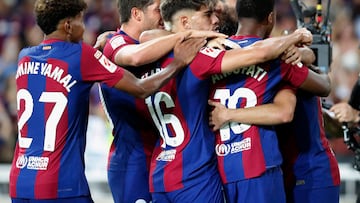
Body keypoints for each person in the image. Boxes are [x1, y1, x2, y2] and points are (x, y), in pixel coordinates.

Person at [8, 0, 207, 202]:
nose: (84, 28)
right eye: (80, 21)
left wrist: (103, 45)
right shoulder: (82, 56)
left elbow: (64, 73)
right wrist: (178, 63)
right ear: (68, 26)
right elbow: (141, 87)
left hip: (20, 181)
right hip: (61, 185)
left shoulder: (25, 57)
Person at [140, 0, 313, 202]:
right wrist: (297, 38)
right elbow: (262, 53)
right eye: (207, 15)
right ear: (185, 22)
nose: (215, 21)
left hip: (161, 170)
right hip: (196, 176)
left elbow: (145, 37)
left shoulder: (147, 55)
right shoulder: (202, 58)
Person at [207, 0, 336, 202]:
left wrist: (304, 54)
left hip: (225, 166)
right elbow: (324, 87)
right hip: (276, 168)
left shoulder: (214, 54)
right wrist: (303, 54)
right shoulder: (277, 57)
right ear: (270, 18)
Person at [98, 0, 225, 202]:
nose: (163, 16)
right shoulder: (116, 43)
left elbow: (157, 37)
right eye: (157, 10)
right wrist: (190, 35)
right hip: (133, 161)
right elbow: (136, 58)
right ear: (137, 14)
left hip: (162, 156)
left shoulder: (159, 45)